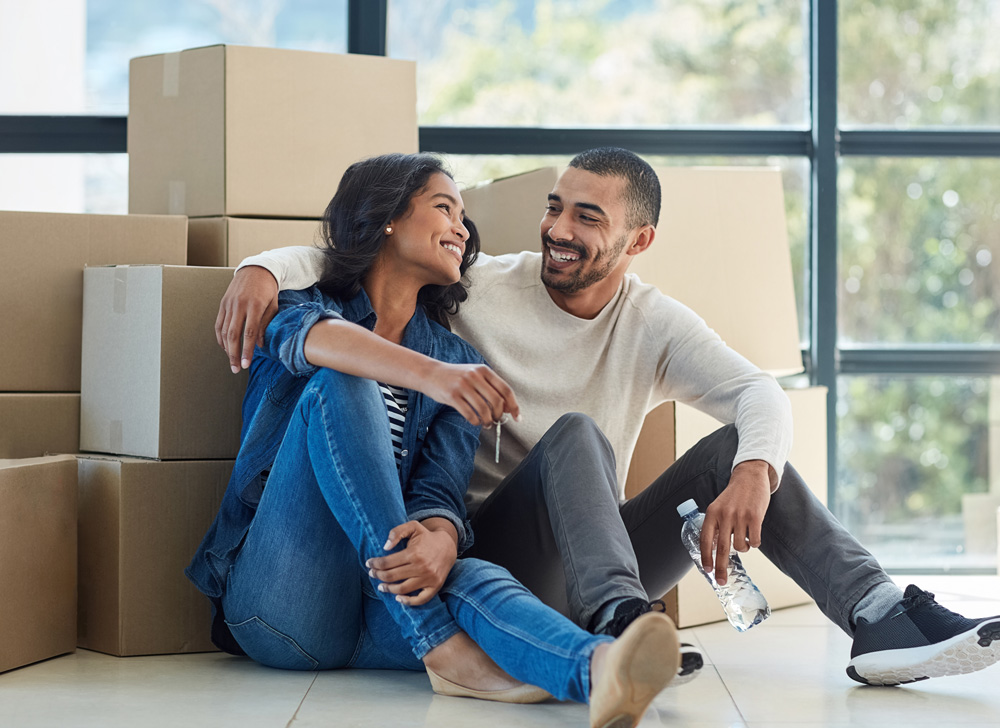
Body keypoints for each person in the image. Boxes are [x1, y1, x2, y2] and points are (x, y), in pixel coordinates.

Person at [216, 147, 1000, 687]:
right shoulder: (476, 285)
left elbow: (757, 391)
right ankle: (622, 624)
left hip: (590, 557)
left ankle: (879, 616)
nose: (558, 230)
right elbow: (352, 261)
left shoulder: (655, 322)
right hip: (483, 553)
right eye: (556, 208)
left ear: (638, 240)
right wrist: (260, 266)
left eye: (588, 218)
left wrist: (755, 472)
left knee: (738, 448)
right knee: (577, 437)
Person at [186, 152, 683, 728]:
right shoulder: (304, 304)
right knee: (343, 382)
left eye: (464, 215)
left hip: (379, 612)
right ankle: (439, 646)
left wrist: (444, 538)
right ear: (388, 217)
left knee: (473, 573)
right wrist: (432, 377)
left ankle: (599, 669)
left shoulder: (455, 358)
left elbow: (440, 487)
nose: (462, 228)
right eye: (444, 208)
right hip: (285, 606)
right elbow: (316, 344)